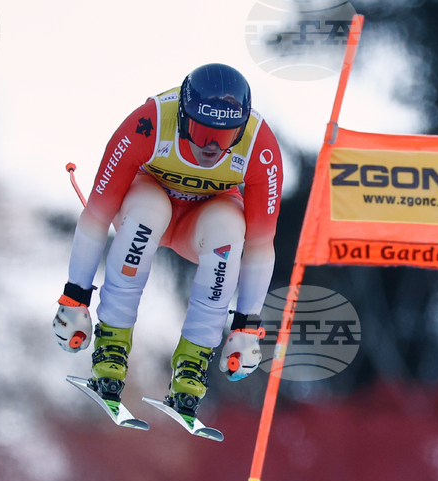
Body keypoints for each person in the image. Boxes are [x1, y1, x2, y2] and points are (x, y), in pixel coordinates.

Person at [52, 63, 282, 417]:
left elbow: (260, 246)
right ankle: (112, 346)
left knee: (229, 232)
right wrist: (75, 297)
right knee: (148, 213)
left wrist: (246, 327)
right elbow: (97, 215)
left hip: (201, 224)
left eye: (224, 136)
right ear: (183, 117)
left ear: (241, 128)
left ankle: (192, 365)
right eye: (200, 130)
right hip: (146, 204)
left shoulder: (259, 145)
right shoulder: (151, 122)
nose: (211, 145)